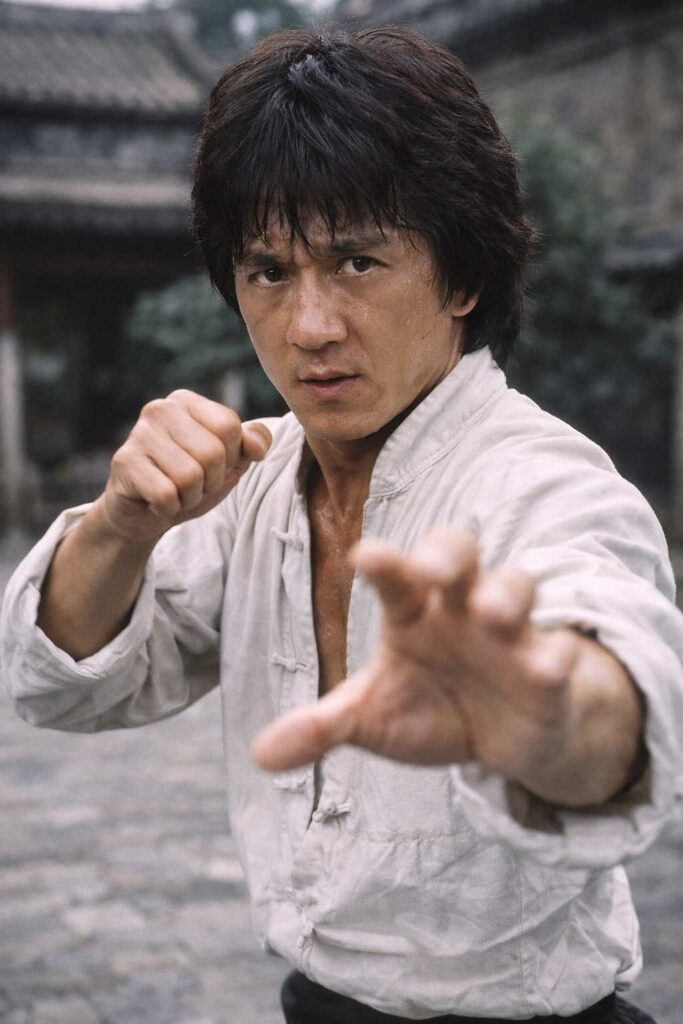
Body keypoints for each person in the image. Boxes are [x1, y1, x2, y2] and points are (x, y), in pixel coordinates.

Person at [2, 24, 682, 1024]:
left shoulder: (542, 482)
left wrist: (543, 710)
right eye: (268, 273)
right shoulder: (254, 476)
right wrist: (120, 523)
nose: (309, 326)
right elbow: (57, 683)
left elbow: (607, 668)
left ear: (460, 278)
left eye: (356, 262)